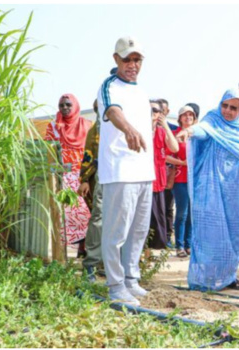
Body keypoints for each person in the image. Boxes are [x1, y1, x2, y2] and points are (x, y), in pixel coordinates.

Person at [176, 88, 239, 291]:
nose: (227, 111)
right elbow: (202, 130)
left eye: (233, 108)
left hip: (238, 191)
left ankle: (228, 276)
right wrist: (189, 130)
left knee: (236, 236)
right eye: (225, 105)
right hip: (211, 189)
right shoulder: (213, 119)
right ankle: (205, 279)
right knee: (209, 235)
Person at [97, 36, 154, 305]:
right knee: (116, 232)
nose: (132, 64)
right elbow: (113, 111)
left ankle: (131, 279)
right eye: (127, 59)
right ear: (116, 59)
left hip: (143, 171)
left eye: (137, 59)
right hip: (120, 170)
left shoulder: (142, 92)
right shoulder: (109, 86)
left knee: (138, 230)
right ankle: (116, 285)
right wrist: (129, 129)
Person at [45, 93, 92, 254]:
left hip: (84, 177)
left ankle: (84, 246)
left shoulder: (88, 125)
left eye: (68, 105)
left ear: (76, 106)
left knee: (86, 212)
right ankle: (65, 251)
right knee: (67, 213)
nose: (65, 108)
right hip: (63, 177)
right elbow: (49, 150)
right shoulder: (54, 126)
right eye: (61, 105)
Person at [167, 104, 198, 257]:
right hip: (180, 178)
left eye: (191, 115)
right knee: (181, 213)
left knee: (193, 213)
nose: (188, 118)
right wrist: (182, 163)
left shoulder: (198, 134)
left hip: (196, 180)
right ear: (179, 118)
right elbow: (166, 155)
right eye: (185, 115)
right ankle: (179, 245)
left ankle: (189, 244)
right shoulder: (174, 134)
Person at [148, 99, 179, 249]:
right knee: (141, 220)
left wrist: (165, 125)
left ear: (161, 114)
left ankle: (149, 253)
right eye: (148, 110)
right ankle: (140, 252)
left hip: (157, 181)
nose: (151, 113)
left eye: (154, 110)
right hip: (141, 180)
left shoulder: (161, 132)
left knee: (157, 217)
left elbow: (174, 148)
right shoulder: (139, 130)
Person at [78, 99, 104, 282]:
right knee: (98, 217)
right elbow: (89, 153)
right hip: (102, 177)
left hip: (124, 176)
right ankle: (92, 264)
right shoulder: (96, 129)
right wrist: (85, 178)